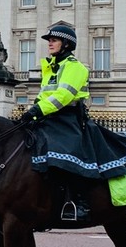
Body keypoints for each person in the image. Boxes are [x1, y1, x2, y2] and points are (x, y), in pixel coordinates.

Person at [20, 24, 91, 221]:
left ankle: (79, 201)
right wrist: (33, 110)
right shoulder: (51, 67)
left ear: (66, 44)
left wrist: (37, 110)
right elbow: (44, 94)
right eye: (49, 40)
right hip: (48, 116)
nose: (49, 43)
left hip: (68, 118)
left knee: (65, 152)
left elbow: (64, 96)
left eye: (54, 40)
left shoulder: (75, 67)